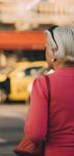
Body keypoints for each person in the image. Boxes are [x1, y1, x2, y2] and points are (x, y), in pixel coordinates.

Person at [24, 25, 74, 156]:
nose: (45, 51)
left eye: (46, 47)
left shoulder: (44, 83)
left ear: (55, 50)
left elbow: (36, 134)